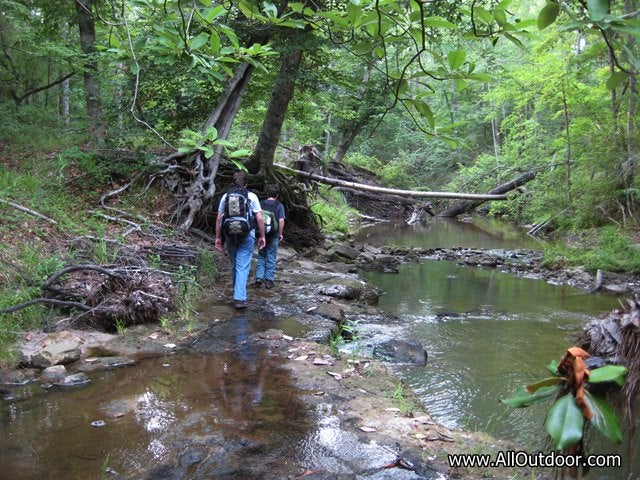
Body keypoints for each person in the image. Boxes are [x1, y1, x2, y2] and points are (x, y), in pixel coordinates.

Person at [215, 171, 266, 309]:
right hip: (247, 234)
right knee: (242, 266)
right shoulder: (252, 196)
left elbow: (219, 219)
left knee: (234, 264)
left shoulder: (226, 197)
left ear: (233, 182)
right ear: (247, 183)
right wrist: (262, 236)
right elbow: (260, 219)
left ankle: (237, 293)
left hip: (229, 234)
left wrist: (218, 238)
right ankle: (239, 299)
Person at [255, 184, 285, 289]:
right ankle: (269, 280)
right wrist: (280, 234)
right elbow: (281, 221)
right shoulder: (279, 205)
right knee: (271, 256)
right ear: (277, 195)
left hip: (261, 233)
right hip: (273, 234)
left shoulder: (261, 203)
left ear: (267, 194)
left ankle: (259, 277)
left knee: (261, 255)